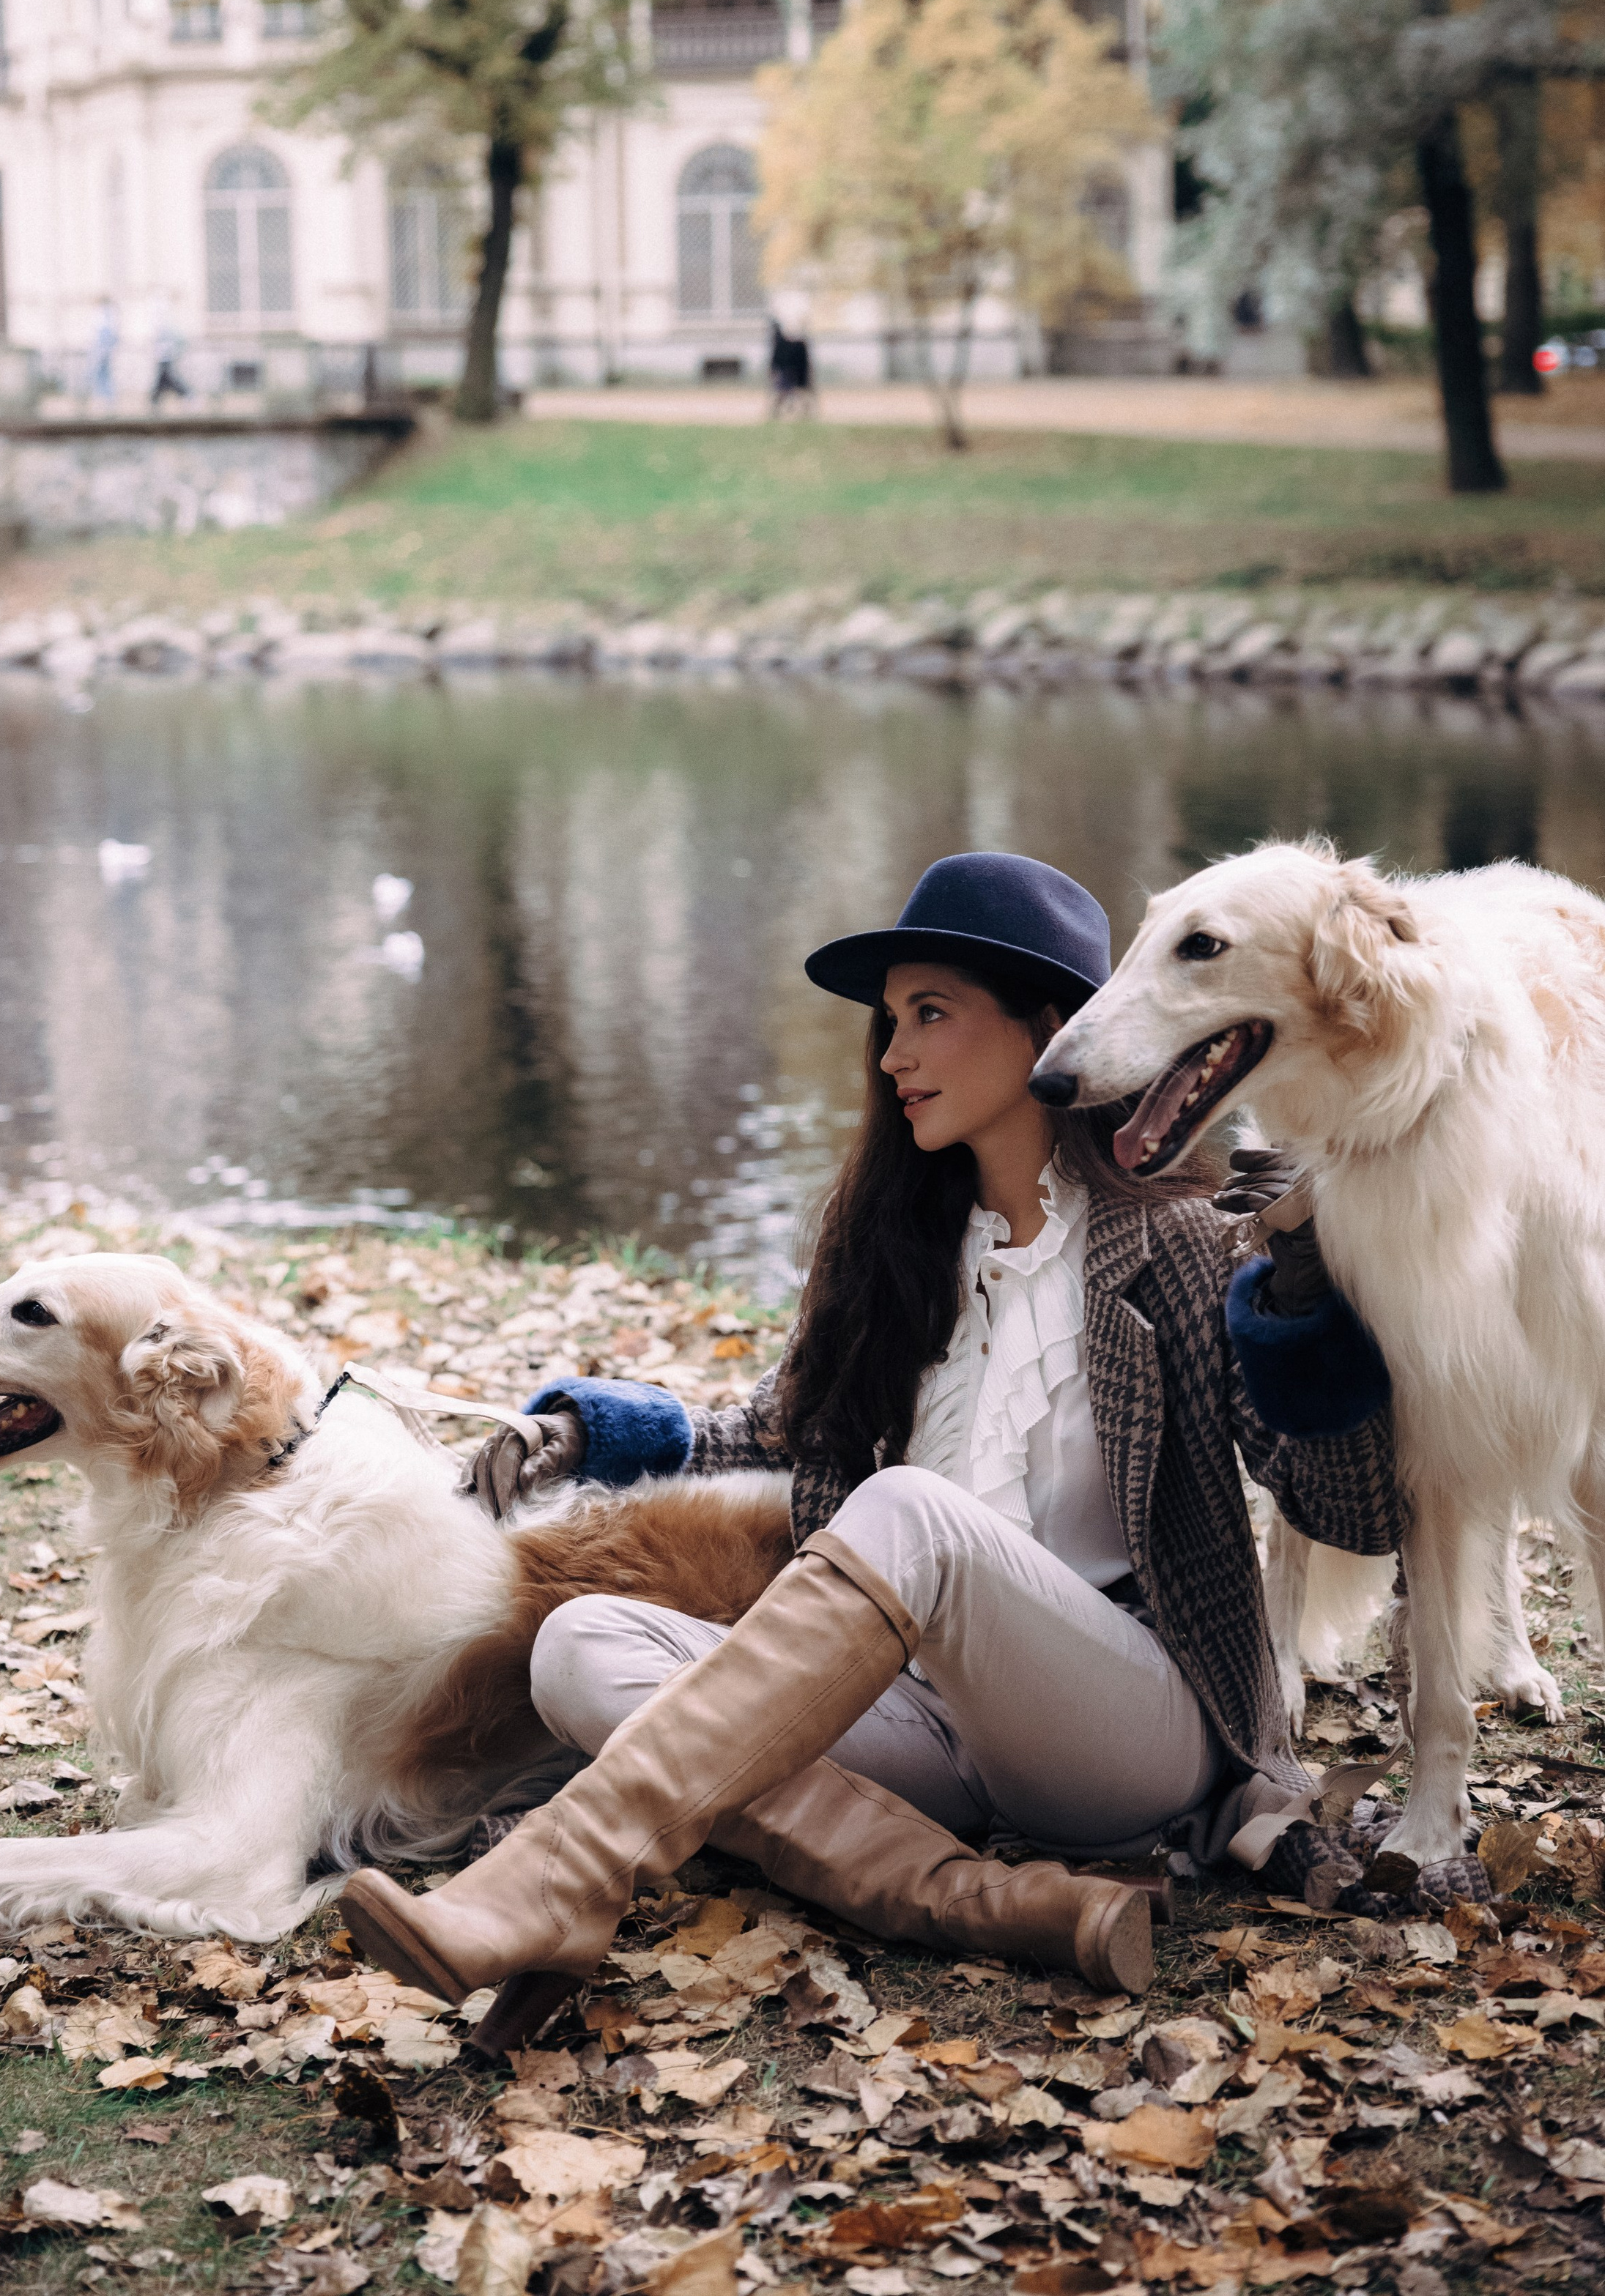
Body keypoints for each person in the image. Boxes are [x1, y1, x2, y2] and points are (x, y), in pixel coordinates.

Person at [341, 852, 1404, 2044]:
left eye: (931, 1015)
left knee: (904, 1511)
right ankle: (996, 1902)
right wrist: (591, 1430)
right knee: (581, 1647)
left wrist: (1304, 1294)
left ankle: (556, 1882)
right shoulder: (902, 1241)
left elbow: (1351, 1507)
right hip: (926, 1717)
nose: (892, 1054)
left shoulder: (1189, 1239)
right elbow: (784, 1426)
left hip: (1132, 1731)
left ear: (1051, 1027)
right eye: (890, 1022)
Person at [767, 316, 813, 416]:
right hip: (792, 372)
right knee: (791, 393)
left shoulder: (781, 344)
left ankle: (777, 412)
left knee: (785, 392)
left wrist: (774, 371)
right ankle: (805, 411)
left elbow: (777, 361)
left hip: (788, 372)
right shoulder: (785, 343)